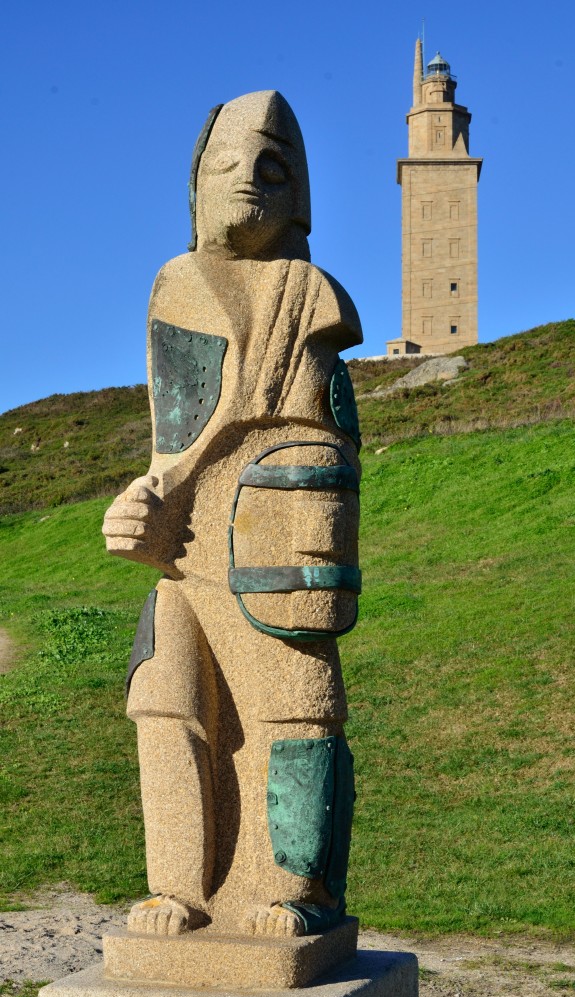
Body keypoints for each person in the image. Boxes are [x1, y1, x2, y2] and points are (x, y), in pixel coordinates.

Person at [102, 91, 362, 939]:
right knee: (164, 691)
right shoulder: (177, 287)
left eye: (273, 165)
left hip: (274, 549)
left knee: (296, 705)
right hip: (190, 552)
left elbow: (322, 442)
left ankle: (293, 887)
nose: (249, 177)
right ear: (197, 190)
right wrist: (140, 506)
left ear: (301, 196)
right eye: (227, 164)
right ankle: (180, 884)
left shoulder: (309, 296)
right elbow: (172, 443)